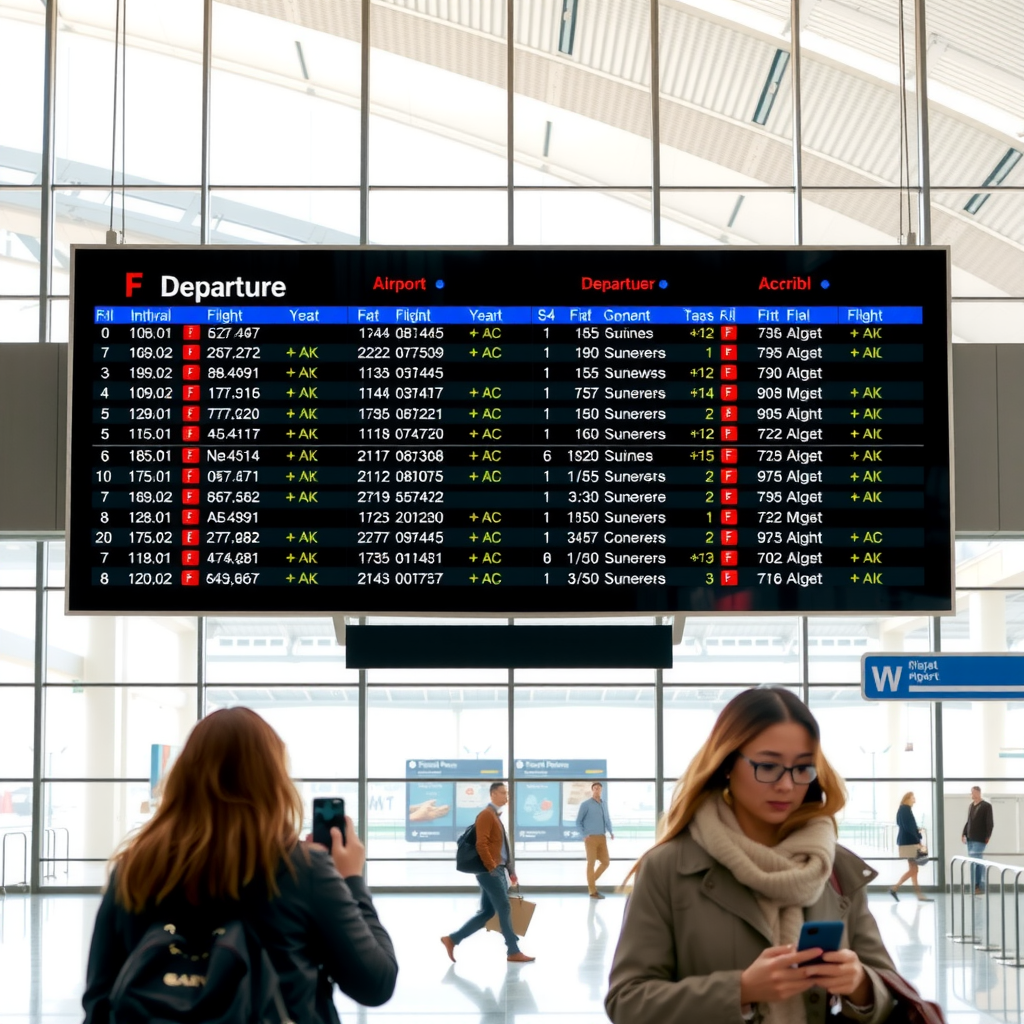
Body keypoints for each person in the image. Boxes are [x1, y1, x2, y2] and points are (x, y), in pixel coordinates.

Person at [82, 708, 397, 1024]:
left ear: (182, 777)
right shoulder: (302, 869)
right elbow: (375, 984)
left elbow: (99, 1000)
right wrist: (352, 879)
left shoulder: (135, 868)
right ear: (273, 781)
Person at [606, 686, 898, 1024]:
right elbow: (627, 1002)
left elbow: (888, 988)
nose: (787, 785)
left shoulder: (835, 867)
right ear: (728, 764)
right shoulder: (669, 868)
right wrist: (741, 990)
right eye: (768, 766)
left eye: (802, 768)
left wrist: (860, 985)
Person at [440, 781, 535, 963]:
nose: (506, 796)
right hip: (489, 871)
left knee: (487, 912)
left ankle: (452, 939)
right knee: (504, 907)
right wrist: (492, 867)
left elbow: (501, 848)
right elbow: (481, 844)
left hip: (496, 869)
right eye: (502, 793)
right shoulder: (486, 815)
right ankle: (513, 950)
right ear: (492, 795)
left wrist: (510, 870)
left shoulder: (494, 816)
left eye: (506, 793)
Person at [889, 792, 932, 902]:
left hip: (907, 841)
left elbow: (907, 826)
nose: (914, 800)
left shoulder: (903, 810)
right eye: (913, 798)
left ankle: (918, 895)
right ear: (907, 798)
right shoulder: (905, 810)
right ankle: (895, 887)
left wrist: (917, 834)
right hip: (909, 843)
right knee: (914, 870)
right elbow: (909, 827)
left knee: (914, 870)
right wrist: (918, 840)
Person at [576, 781, 615, 899]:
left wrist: (611, 831)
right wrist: (584, 834)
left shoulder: (604, 804)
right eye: (595, 788)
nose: (597, 790)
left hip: (602, 837)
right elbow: (578, 821)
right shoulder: (586, 804)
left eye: (599, 788)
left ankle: (591, 882)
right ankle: (593, 891)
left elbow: (607, 819)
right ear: (592, 790)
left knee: (606, 862)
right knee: (591, 863)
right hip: (590, 838)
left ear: (601, 790)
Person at [961, 785, 994, 895]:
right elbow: (969, 821)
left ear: (978, 792)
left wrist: (987, 837)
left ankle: (978, 886)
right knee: (974, 862)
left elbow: (990, 823)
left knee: (976, 862)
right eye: (971, 792)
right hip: (970, 839)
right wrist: (964, 833)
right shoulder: (971, 806)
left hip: (980, 839)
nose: (972, 794)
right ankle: (975, 886)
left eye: (973, 792)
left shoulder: (986, 806)